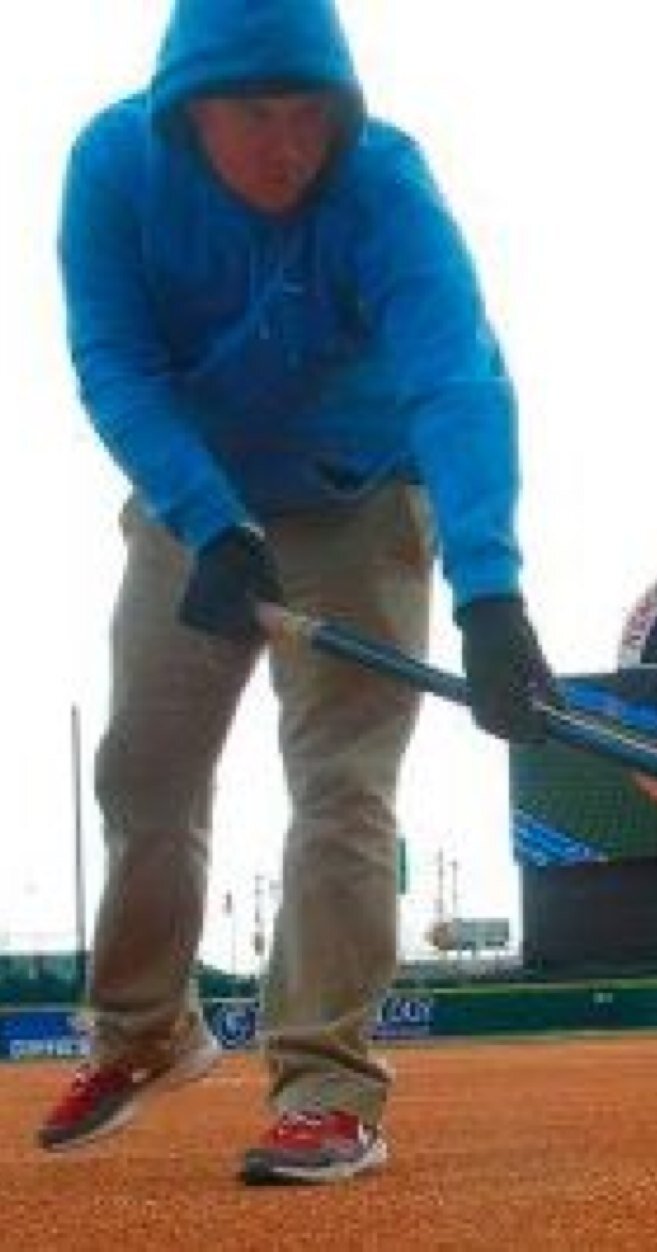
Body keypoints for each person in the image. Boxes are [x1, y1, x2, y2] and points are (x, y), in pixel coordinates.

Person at [37, 0, 559, 1185]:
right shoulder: (113, 168)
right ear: (189, 110)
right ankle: (146, 1031)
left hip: (360, 493)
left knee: (341, 782)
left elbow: (456, 375)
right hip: (196, 496)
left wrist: (489, 591)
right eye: (255, 114)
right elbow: (113, 361)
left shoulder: (383, 183)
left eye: (310, 113)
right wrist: (209, 522)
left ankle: (328, 1084)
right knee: (145, 767)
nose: (288, 146)